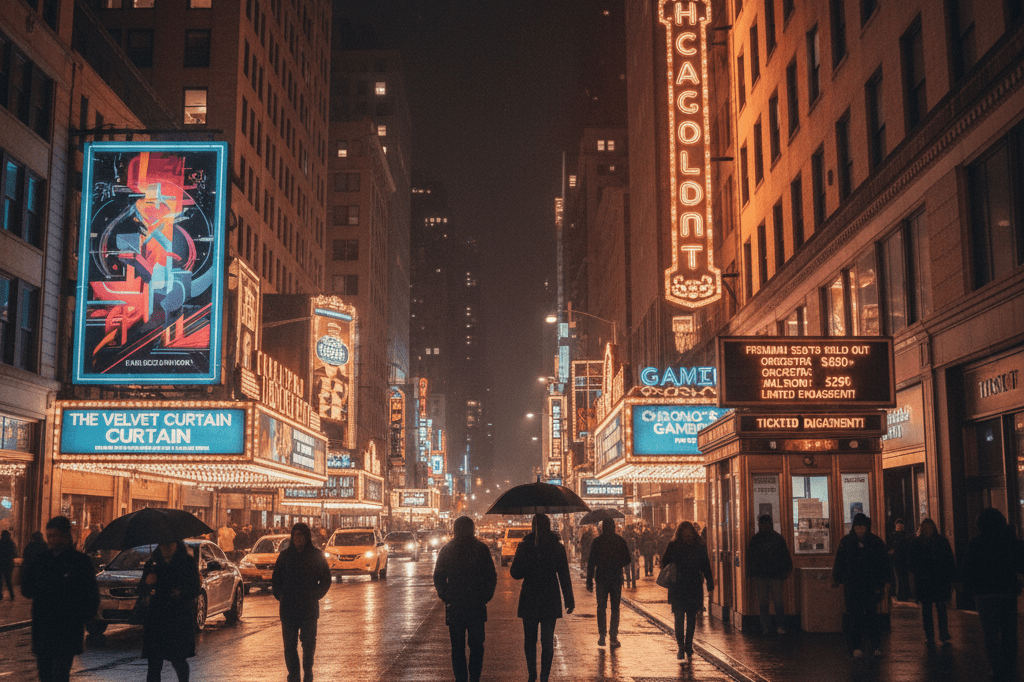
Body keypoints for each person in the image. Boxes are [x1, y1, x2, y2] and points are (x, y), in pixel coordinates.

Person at [20, 516, 99, 682]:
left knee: (60, 674)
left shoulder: (79, 562)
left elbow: (91, 593)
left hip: (67, 628)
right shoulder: (41, 560)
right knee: (45, 674)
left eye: (55, 535)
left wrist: (82, 616)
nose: (52, 540)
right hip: (44, 627)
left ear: (65, 536)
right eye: (49, 536)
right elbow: (26, 588)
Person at [510, 513, 575, 682]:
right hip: (548, 598)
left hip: (533, 598)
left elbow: (515, 573)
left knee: (535, 641)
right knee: (542, 641)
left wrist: (528, 563)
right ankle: (539, 675)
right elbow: (564, 576)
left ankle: (537, 675)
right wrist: (569, 599)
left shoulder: (528, 546)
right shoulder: (554, 547)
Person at [433, 516, 498, 682]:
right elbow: (491, 576)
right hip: (476, 605)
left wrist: (446, 595)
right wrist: (485, 596)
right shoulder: (481, 549)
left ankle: (461, 678)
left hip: (455, 606)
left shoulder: (447, 549)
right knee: (477, 646)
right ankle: (474, 677)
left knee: (457, 647)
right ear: (472, 529)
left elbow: (439, 576)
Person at [963, 507, 1024, 681]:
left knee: (990, 633)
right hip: (1007, 592)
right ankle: (1010, 666)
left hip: (985, 593)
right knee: (1009, 632)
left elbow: (969, 568)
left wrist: (969, 587)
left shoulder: (976, 543)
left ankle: (996, 667)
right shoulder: (1010, 540)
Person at [273, 522, 332, 682]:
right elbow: (276, 580)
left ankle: (308, 671)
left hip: (308, 608)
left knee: (308, 643)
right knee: (289, 645)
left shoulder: (316, 555)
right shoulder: (285, 556)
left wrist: (315, 595)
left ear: (307, 537)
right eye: (295, 535)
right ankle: (293, 675)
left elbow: (326, 580)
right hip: (288, 608)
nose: (298, 538)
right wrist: (282, 596)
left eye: (301, 535)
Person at [139, 541, 202, 682]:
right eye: (163, 545)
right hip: (156, 620)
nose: (166, 548)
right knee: (154, 664)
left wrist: (180, 593)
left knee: (178, 661)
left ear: (176, 544)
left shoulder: (186, 562)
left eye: (169, 544)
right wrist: (147, 582)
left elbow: (194, 588)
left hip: (177, 619)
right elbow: (141, 590)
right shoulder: (152, 563)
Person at [832, 513, 890, 659]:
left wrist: (881, 582)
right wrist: (837, 578)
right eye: (857, 526)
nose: (860, 529)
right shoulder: (848, 542)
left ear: (867, 527)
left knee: (870, 616)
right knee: (856, 616)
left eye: (862, 526)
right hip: (854, 586)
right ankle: (858, 646)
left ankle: (873, 645)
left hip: (869, 586)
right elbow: (840, 562)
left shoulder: (873, 542)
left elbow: (883, 565)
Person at [660, 521, 713, 661]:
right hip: (687, 585)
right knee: (686, 617)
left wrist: (710, 581)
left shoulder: (675, 545)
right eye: (686, 532)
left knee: (686, 617)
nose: (687, 535)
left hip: (683, 586)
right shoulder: (698, 546)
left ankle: (685, 646)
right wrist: (709, 582)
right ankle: (684, 646)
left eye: (689, 533)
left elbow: (663, 561)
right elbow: (705, 565)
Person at [586, 517, 632, 647]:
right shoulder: (620, 541)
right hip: (616, 577)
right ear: (614, 527)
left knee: (601, 607)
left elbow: (591, 562)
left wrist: (589, 580)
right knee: (615, 608)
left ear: (602, 527)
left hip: (601, 578)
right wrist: (617, 563)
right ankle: (613, 636)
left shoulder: (597, 542)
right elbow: (628, 559)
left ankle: (602, 635)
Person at [909, 518, 955, 645]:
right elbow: (949, 561)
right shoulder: (941, 541)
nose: (928, 531)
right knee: (935, 608)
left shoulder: (918, 543)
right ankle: (939, 635)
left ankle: (934, 635)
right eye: (926, 529)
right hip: (934, 580)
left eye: (929, 529)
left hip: (930, 580)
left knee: (931, 609)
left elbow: (912, 564)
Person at [746, 514, 793, 635]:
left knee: (764, 602)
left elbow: (750, 557)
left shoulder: (755, 539)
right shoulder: (778, 538)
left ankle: (766, 627)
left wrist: (751, 572)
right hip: (776, 574)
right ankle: (780, 626)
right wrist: (787, 569)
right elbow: (785, 555)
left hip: (761, 574)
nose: (764, 526)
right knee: (777, 601)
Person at [887, 518, 913, 602]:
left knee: (904, 577)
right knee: (899, 577)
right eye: (898, 525)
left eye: (901, 525)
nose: (900, 526)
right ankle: (900, 594)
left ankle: (904, 594)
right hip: (896, 559)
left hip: (904, 559)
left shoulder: (906, 535)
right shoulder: (893, 535)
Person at [0, 530, 16, 601]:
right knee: (8, 580)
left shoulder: (1, 543)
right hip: (8, 564)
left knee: (1, 580)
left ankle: (0, 595)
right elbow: (15, 554)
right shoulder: (11, 543)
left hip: (1, 563)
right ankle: (12, 594)